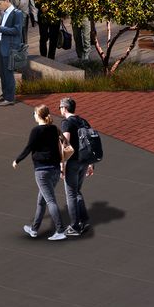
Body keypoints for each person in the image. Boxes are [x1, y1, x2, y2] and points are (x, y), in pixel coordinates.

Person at [12, 103, 69, 241]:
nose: (33, 115)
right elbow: (65, 142)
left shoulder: (36, 131)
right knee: (41, 201)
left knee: (50, 201)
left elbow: (29, 148)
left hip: (42, 171)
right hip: (55, 170)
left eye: (34, 113)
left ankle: (60, 230)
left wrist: (17, 160)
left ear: (39, 115)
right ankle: (34, 229)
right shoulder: (54, 129)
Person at [56, 97, 96, 236]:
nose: (60, 109)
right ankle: (84, 221)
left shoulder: (66, 122)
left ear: (65, 108)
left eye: (60, 107)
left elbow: (65, 144)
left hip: (72, 163)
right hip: (84, 162)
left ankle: (74, 226)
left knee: (71, 194)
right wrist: (91, 164)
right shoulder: (83, 121)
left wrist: (62, 165)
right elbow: (90, 143)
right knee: (77, 191)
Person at [0, 0, 28, 105]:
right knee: (2, 72)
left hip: (10, 48)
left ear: (7, 1)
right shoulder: (4, 13)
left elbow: (16, 30)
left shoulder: (17, 13)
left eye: (0, 4)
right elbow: (4, 29)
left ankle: (10, 99)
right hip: (1, 45)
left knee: (8, 73)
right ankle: (4, 95)